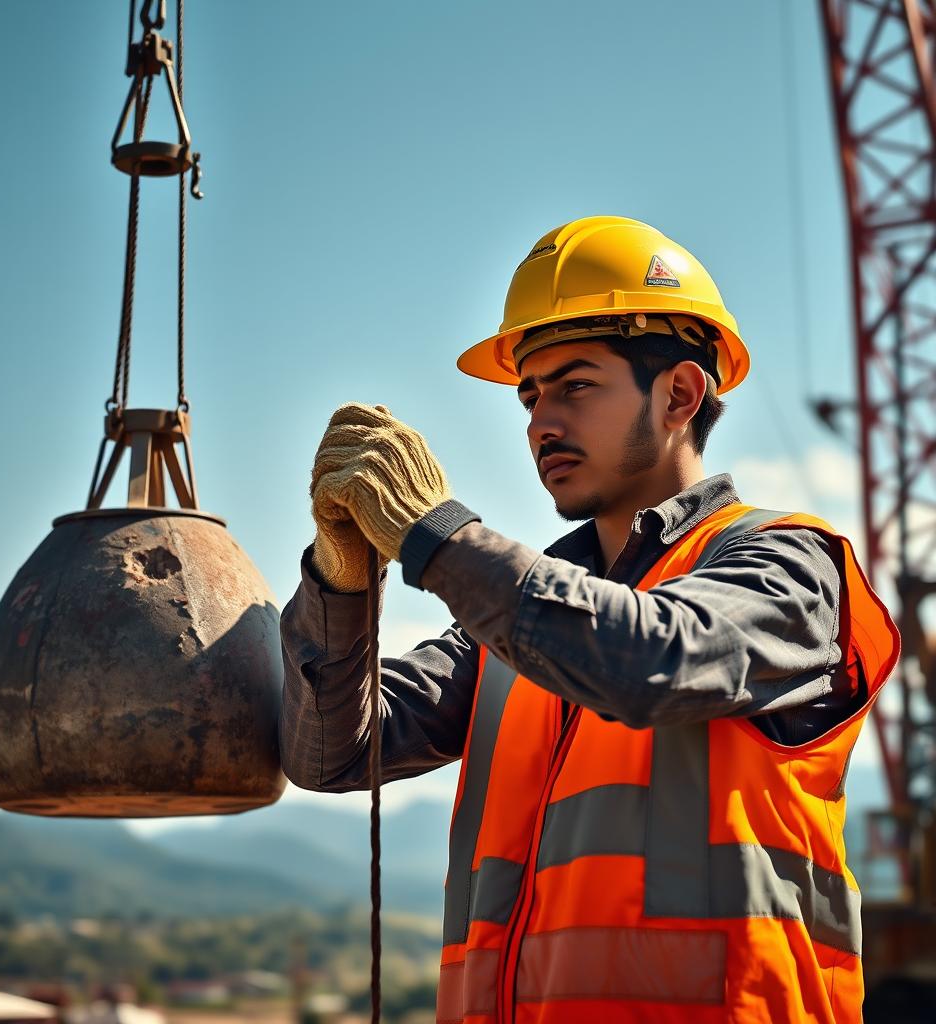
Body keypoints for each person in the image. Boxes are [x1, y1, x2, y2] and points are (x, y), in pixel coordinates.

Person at [278, 216, 900, 1023]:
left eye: (575, 386)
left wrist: (436, 536)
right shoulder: (507, 621)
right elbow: (332, 754)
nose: (541, 421)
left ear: (680, 393)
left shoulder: (789, 568)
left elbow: (652, 659)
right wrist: (341, 579)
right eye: (529, 395)